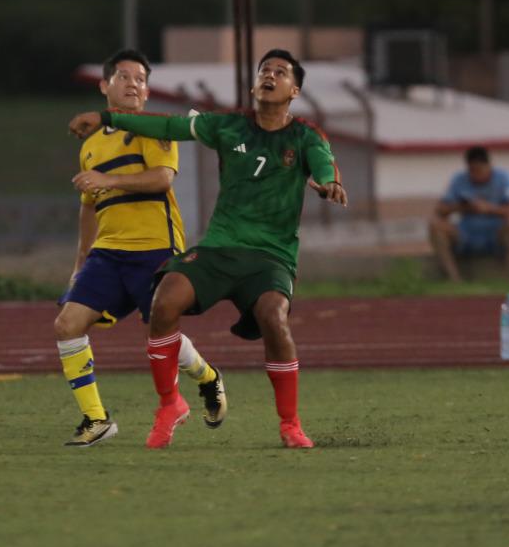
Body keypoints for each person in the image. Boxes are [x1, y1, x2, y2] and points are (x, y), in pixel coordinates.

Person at [68, 49, 347, 450]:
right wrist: (105, 117)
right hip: (219, 247)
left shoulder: (304, 135)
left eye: (280, 72)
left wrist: (328, 182)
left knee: (273, 317)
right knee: (164, 301)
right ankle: (169, 405)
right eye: (264, 70)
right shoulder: (229, 126)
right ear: (255, 85)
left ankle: (290, 424)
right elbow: (169, 124)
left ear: (294, 90)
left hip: (270, 256)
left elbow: (325, 162)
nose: (270, 75)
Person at [52, 48, 225, 447]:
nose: (134, 84)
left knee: (160, 330)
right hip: (107, 253)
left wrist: (107, 181)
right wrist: (80, 261)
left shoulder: (154, 127)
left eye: (141, 79)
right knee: (67, 324)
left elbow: (163, 179)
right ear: (104, 85)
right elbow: (89, 208)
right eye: (125, 77)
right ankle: (96, 419)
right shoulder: (90, 144)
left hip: (155, 248)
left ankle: (207, 376)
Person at [429, 146, 509, 281]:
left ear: (489, 166)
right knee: (436, 225)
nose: (476, 175)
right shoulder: (459, 179)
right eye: (472, 171)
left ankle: (507, 278)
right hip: (466, 231)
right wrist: (462, 207)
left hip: (495, 231)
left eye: (480, 170)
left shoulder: (504, 178)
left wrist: (488, 209)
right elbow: (440, 210)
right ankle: (454, 279)